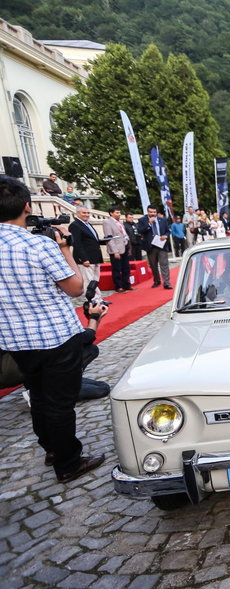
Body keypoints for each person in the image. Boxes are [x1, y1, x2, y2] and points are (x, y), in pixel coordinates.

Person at [0, 174, 105, 482]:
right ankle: (69, 462)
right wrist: (65, 249)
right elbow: (74, 288)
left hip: (15, 341)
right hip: (55, 336)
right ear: (27, 207)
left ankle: (51, 449)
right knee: (60, 402)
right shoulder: (37, 245)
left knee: (39, 396)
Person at [68, 205, 104, 299]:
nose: (87, 215)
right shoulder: (75, 225)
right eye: (84, 213)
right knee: (88, 280)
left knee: (95, 279)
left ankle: (97, 298)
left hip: (95, 257)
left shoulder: (87, 224)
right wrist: (84, 258)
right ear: (77, 213)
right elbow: (77, 243)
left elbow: (92, 240)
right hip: (86, 258)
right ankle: (93, 299)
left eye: (88, 213)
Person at [138, 205, 172, 289]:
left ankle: (166, 282)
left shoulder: (163, 220)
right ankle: (157, 281)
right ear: (148, 212)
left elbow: (168, 231)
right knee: (153, 265)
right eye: (151, 212)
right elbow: (140, 231)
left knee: (164, 264)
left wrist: (166, 236)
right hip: (151, 246)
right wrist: (149, 223)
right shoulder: (142, 220)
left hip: (162, 245)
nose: (153, 214)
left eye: (154, 212)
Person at [103, 205, 132, 292]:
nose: (119, 214)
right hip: (116, 250)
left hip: (124, 247)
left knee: (126, 268)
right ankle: (118, 286)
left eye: (119, 212)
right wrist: (115, 251)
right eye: (117, 212)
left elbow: (124, 234)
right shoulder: (107, 222)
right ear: (111, 213)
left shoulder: (120, 222)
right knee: (117, 269)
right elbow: (109, 238)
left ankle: (126, 284)